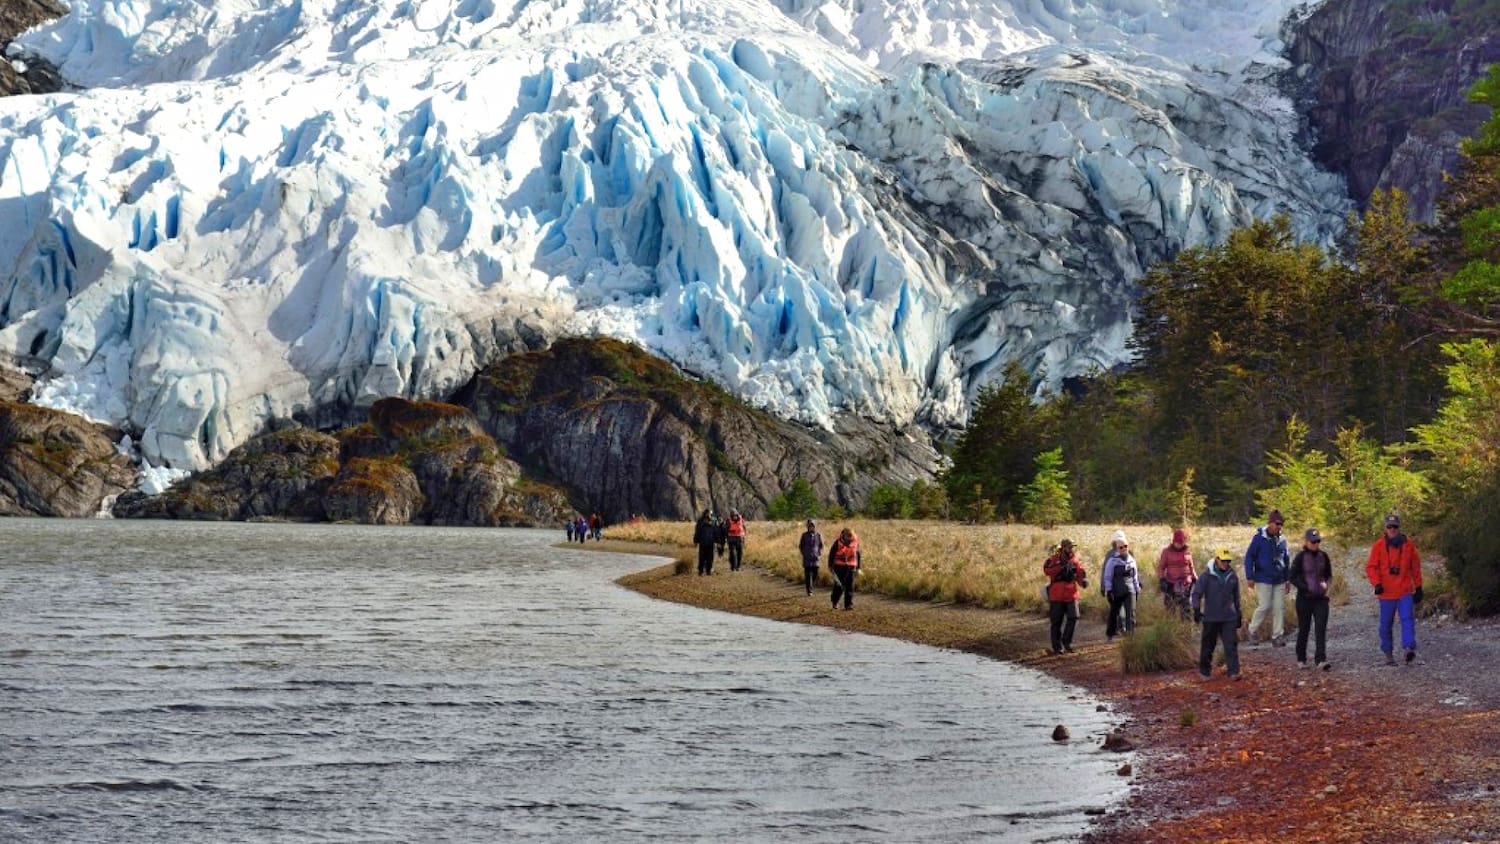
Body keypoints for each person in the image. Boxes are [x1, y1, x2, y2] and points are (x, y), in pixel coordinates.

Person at [1367, 513, 1423, 665]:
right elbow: (1371, 567)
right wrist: (1376, 583)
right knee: (1385, 625)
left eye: (1395, 526)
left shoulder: (1408, 545)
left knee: (1407, 619)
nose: (1392, 529)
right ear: (1385, 528)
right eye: (1389, 526)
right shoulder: (1378, 546)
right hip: (1386, 593)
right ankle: (1388, 654)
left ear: (1399, 527)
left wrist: (1418, 587)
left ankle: (1408, 648)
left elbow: (1415, 567)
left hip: (1404, 591)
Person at [1192, 547, 1244, 680]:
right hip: (1211, 617)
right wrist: (1197, 609)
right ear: (1216, 559)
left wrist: (1238, 613)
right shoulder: (1206, 576)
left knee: (1231, 644)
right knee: (1208, 645)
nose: (1226, 563)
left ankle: (1234, 672)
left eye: (1228, 561)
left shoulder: (1232, 576)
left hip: (1229, 616)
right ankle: (1205, 672)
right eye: (1223, 560)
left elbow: (1236, 597)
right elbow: (1197, 593)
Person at [1244, 509, 1291, 646]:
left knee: (1279, 608)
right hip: (1263, 578)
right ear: (1270, 523)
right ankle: (1252, 631)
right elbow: (1249, 557)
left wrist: (1287, 579)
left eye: (1281, 524)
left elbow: (1286, 559)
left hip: (1279, 578)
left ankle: (1277, 636)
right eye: (1277, 523)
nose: (1279, 526)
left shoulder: (1282, 539)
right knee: (1264, 605)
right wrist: (1249, 576)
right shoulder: (1259, 538)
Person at [1291, 527, 1334, 670]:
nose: (1315, 544)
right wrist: (1304, 587)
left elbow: (1329, 574)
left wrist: (1326, 584)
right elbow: (1292, 576)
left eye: (1317, 541)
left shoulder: (1324, 556)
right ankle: (1301, 657)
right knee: (1304, 628)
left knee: (1320, 628)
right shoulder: (1300, 557)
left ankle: (1320, 659)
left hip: (1321, 599)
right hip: (1304, 599)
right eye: (1313, 541)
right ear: (1306, 541)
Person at [1043, 539, 1088, 655]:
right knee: (1056, 622)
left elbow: (1079, 574)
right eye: (1069, 547)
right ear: (1063, 548)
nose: (1071, 549)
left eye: (1072, 547)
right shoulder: (1053, 560)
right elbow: (1046, 570)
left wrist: (1083, 582)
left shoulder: (1075, 561)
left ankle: (1066, 642)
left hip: (1071, 594)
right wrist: (1060, 567)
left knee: (1074, 617)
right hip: (1056, 595)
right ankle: (1057, 647)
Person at [1100, 531, 1141, 640]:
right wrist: (1106, 589)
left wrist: (1137, 587)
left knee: (1131, 614)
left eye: (1125, 546)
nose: (1123, 548)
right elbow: (1106, 574)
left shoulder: (1131, 557)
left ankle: (1130, 637)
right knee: (1116, 613)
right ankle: (1111, 634)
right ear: (1116, 546)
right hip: (1116, 590)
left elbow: (1135, 574)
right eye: (1120, 547)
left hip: (1130, 590)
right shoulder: (1111, 558)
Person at [1156, 528, 1197, 620]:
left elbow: (1191, 567)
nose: (1179, 545)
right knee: (1170, 607)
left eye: (1181, 543)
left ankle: (1185, 629)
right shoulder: (1166, 552)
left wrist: (1195, 578)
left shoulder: (1187, 551)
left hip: (1185, 583)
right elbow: (1161, 567)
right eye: (1177, 543)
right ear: (1173, 541)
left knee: (1186, 608)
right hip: (1170, 583)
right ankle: (1171, 627)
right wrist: (1162, 579)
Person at [828, 527, 861, 610]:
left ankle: (848, 605)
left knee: (850, 586)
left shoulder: (855, 542)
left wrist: (859, 568)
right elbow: (831, 554)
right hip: (839, 567)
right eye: (848, 536)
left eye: (851, 536)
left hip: (851, 566)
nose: (849, 539)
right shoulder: (837, 542)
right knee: (839, 586)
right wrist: (830, 566)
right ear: (844, 535)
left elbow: (859, 555)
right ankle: (834, 601)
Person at [798, 519, 823, 595]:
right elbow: (801, 546)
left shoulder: (818, 535)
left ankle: (812, 585)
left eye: (812, 526)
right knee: (808, 575)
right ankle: (809, 590)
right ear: (807, 527)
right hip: (807, 558)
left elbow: (821, 545)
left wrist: (819, 553)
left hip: (815, 558)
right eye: (810, 526)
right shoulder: (804, 535)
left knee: (815, 573)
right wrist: (804, 553)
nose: (811, 528)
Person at [693, 510, 718, 575]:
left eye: (710, 514)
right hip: (702, 542)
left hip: (710, 542)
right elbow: (697, 532)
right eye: (708, 514)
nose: (709, 515)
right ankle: (700, 571)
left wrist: (718, 541)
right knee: (702, 557)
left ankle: (708, 570)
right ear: (705, 514)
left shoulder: (713, 521)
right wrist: (695, 541)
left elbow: (716, 532)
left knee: (710, 557)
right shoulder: (700, 521)